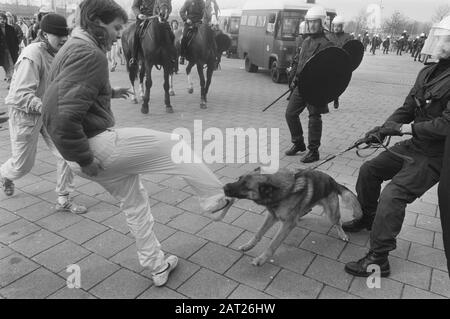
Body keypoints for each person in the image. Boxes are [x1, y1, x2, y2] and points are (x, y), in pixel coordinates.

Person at [42, 0, 234, 287]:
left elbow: (69, 90)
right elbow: (62, 117)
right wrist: (84, 158)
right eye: (117, 28)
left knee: (135, 202)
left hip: (75, 153)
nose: (120, 34)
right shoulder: (88, 52)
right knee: (175, 145)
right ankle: (214, 199)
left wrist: (110, 91)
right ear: (96, 21)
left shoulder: (72, 46)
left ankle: (157, 265)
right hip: (91, 149)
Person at [342, 16, 450, 277]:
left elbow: (446, 125)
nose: (438, 43)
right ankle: (370, 217)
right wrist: (382, 129)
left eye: (444, 39)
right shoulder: (428, 71)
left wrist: (403, 129)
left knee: (393, 195)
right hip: (414, 145)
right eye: (440, 38)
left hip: (435, 156)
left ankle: (379, 258)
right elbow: (408, 108)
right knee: (369, 171)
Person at [0, 13, 87, 214]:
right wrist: (48, 106)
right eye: (58, 35)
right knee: (22, 166)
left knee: (67, 153)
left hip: (48, 111)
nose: (64, 38)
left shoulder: (59, 52)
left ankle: (64, 198)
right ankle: (5, 174)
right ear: (44, 34)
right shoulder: (32, 55)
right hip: (24, 113)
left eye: (65, 34)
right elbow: (20, 95)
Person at [284, 6, 334, 163]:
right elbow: (299, 62)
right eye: (309, 22)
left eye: (314, 22)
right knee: (290, 114)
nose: (311, 26)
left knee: (314, 118)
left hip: (316, 88)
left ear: (322, 23)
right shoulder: (305, 41)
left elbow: (331, 70)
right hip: (300, 85)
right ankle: (298, 143)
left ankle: (314, 151)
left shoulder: (328, 44)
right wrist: (293, 79)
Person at [129, 0, 174, 68]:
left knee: (170, 32)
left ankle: (170, 56)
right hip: (144, 18)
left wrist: (165, 12)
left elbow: (167, 5)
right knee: (137, 33)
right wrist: (139, 14)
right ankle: (134, 58)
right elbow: (134, 6)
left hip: (158, 17)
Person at [328, 15, 351, 109]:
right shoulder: (329, 36)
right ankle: (326, 99)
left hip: (340, 63)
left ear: (342, 27)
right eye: (334, 26)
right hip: (330, 63)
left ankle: (336, 98)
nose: (336, 28)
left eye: (338, 26)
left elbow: (350, 49)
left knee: (336, 83)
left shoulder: (347, 37)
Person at [179, 0, 206, 65]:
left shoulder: (202, 2)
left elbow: (204, 12)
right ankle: (182, 56)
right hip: (189, 23)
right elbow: (181, 12)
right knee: (184, 37)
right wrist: (186, 19)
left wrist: (203, 19)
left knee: (207, 36)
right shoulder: (188, 2)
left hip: (199, 23)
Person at [0, 12, 20, 85]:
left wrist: (17, 48)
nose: (2, 20)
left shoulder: (10, 28)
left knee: (12, 65)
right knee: (5, 66)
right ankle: (9, 79)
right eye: (0, 19)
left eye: (3, 19)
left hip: (11, 50)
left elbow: (15, 39)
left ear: (6, 19)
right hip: (2, 52)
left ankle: (12, 82)